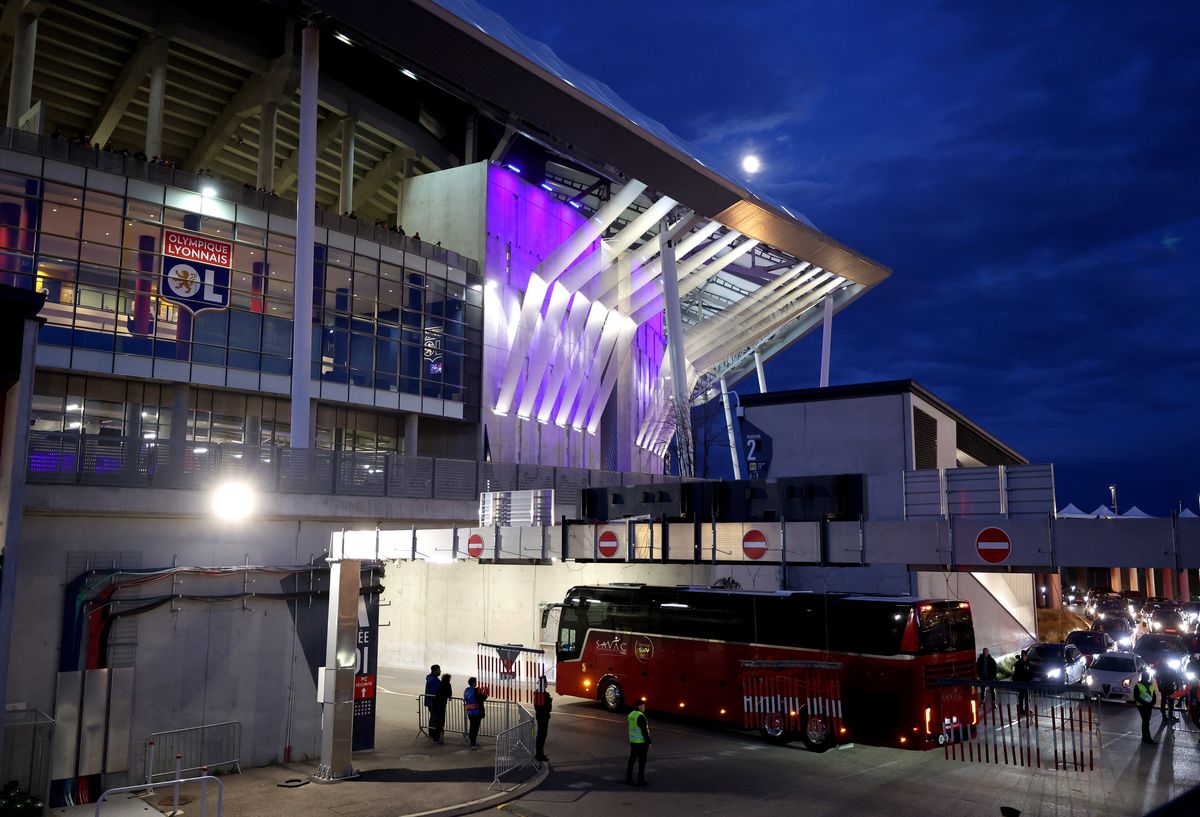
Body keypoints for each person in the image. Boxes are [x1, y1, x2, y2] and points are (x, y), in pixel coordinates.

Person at [626, 700, 651, 786]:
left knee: (632, 760)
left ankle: (628, 778)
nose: (644, 707)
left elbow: (630, 727)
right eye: (643, 706)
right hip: (641, 743)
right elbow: (644, 731)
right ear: (639, 706)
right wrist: (649, 742)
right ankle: (640, 780)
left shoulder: (631, 715)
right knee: (642, 762)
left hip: (633, 741)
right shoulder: (641, 716)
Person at [1134, 669, 1156, 744]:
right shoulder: (1138, 686)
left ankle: (1145, 738)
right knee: (1146, 721)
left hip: (1148, 706)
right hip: (1142, 706)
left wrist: (1152, 703)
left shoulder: (1150, 685)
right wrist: (1147, 703)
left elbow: (1154, 695)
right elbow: (1136, 697)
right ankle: (1147, 738)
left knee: (1146, 721)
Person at [534, 676, 553, 762]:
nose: (547, 684)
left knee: (541, 735)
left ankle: (540, 753)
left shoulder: (541, 693)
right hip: (543, 717)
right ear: (544, 684)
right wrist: (549, 700)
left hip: (542, 716)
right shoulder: (540, 694)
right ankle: (539, 754)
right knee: (541, 735)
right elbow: (539, 707)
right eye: (546, 683)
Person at [464, 676, 487, 749]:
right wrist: (485, 693)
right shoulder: (476, 690)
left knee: (472, 727)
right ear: (474, 683)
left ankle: (472, 742)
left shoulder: (466, 690)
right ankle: (472, 744)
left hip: (470, 711)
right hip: (476, 712)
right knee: (475, 728)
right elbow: (482, 698)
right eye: (475, 682)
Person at [430, 673, 451, 743]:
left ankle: (435, 738)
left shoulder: (440, 684)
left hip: (435, 704)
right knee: (441, 721)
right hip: (441, 705)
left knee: (437, 721)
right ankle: (439, 738)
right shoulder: (447, 684)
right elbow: (449, 694)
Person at [1011, 649, 1032, 715]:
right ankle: (1021, 709)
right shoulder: (1018, 664)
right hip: (1021, 683)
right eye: (1022, 656)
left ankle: (1026, 709)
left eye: (1025, 656)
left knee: (1027, 697)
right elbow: (1016, 674)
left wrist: (1030, 678)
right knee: (1021, 696)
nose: (1024, 657)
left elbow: (1031, 672)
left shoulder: (1028, 663)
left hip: (1027, 683)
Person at [424, 664, 441, 738]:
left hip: (431, 701)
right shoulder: (433, 680)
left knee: (433, 716)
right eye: (439, 670)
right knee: (434, 716)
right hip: (433, 701)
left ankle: (432, 731)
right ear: (435, 671)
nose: (440, 671)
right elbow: (436, 691)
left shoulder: (432, 678)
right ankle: (433, 731)